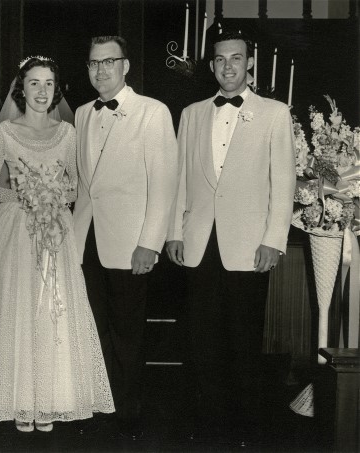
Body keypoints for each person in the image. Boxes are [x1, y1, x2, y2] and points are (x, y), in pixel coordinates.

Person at [0, 56, 114, 433]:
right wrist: (26, 195)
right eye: (33, 84)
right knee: (17, 308)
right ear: (20, 89)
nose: (41, 92)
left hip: (56, 227)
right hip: (12, 229)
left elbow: (78, 185)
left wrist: (52, 193)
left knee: (52, 308)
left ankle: (51, 398)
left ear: (55, 90)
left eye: (48, 84)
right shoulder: (6, 132)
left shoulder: (68, 133)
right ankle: (17, 399)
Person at [166, 31, 296, 446]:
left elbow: (284, 182)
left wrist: (273, 240)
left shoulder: (275, 113)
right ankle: (207, 429)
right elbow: (180, 179)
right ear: (211, 66)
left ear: (249, 64)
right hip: (198, 241)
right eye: (220, 60)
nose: (228, 67)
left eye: (236, 59)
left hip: (249, 246)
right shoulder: (191, 113)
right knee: (201, 341)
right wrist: (174, 232)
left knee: (243, 342)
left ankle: (246, 432)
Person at [73, 36, 179, 440]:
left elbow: (164, 184)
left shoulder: (152, 112)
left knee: (128, 331)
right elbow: (87, 185)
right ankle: (99, 402)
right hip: (86, 238)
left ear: (126, 65)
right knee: (93, 326)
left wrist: (149, 243)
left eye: (108, 62)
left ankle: (127, 409)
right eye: (93, 64)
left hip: (130, 241)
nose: (100, 71)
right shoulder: (82, 113)